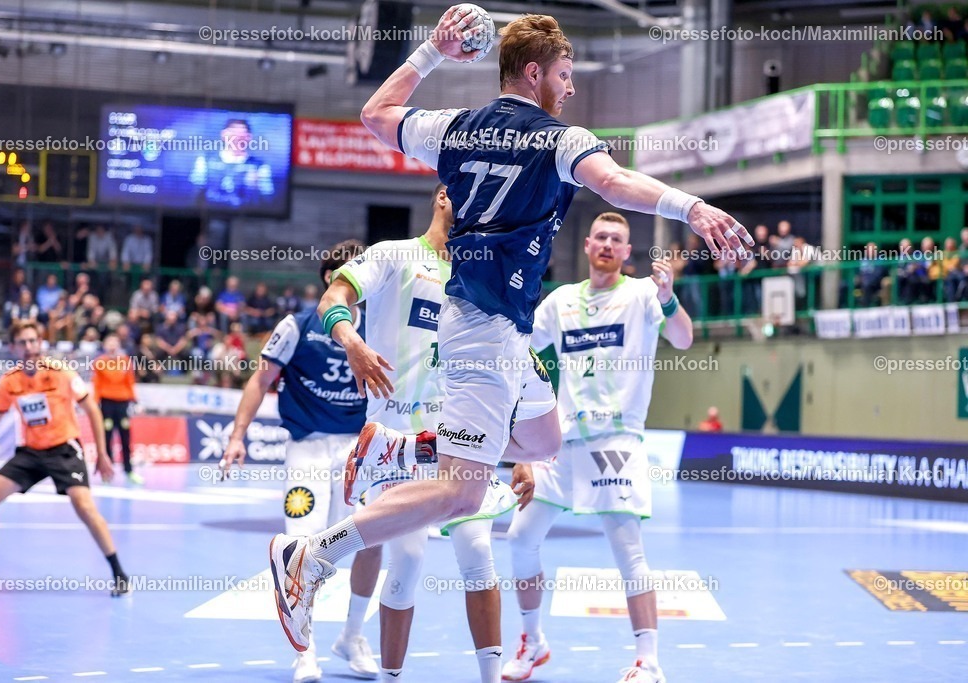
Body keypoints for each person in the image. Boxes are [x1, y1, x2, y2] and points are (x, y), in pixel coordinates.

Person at [267, 8, 749, 665]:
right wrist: (689, 206)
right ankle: (310, 552)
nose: (571, 87)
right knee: (464, 492)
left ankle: (405, 450)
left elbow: (375, 116)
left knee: (544, 441)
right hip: (482, 326)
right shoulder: (559, 138)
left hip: (505, 329)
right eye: (564, 74)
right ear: (534, 74)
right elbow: (615, 182)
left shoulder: (455, 129)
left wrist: (432, 53)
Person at [319, 184, 559, 683]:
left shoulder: (486, 279)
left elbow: (514, 369)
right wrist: (353, 343)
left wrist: (525, 454)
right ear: (444, 196)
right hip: (397, 445)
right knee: (404, 564)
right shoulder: (394, 256)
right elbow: (333, 298)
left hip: (461, 444)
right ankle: (387, 674)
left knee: (479, 556)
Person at [501, 212, 693, 683]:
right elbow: (518, 349)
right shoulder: (560, 302)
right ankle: (533, 641)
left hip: (615, 441)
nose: (608, 244)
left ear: (628, 252)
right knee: (520, 539)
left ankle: (649, 662)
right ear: (587, 246)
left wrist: (669, 300)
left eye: (618, 240)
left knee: (628, 551)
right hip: (561, 442)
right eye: (601, 237)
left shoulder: (644, 295)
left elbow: (685, 339)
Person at [221, 241, 382, 683]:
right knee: (300, 549)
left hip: (359, 450)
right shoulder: (297, 325)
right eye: (344, 272)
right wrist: (237, 436)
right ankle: (304, 652)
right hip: (308, 448)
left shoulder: (381, 324)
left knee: (371, 538)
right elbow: (261, 379)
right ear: (329, 279)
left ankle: (352, 635)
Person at [0, 321, 130, 596]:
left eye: (33, 341)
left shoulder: (62, 373)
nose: (29, 347)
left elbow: (93, 411)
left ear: (40, 344)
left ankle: (119, 574)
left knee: (84, 505)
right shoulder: (9, 382)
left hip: (64, 449)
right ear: (13, 347)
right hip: (31, 452)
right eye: (23, 343)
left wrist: (102, 453)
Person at [189, 119, 274, 208]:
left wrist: (255, 188)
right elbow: (194, 193)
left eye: (241, 134)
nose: (236, 138)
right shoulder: (205, 160)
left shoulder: (260, 166)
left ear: (249, 137)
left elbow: (267, 201)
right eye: (233, 133)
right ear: (223, 134)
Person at [93, 334, 142, 485]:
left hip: (123, 404)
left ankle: (129, 471)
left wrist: (135, 400)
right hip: (106, 404)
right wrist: (94, 403)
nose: (112, 346)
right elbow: (97, 384)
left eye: (115, 343)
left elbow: (130, 382)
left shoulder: (125, 361)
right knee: (106, 438)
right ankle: (107, 472)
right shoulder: (99, 362)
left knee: (125, 438)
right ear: (105, 345)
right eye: (109, 343)